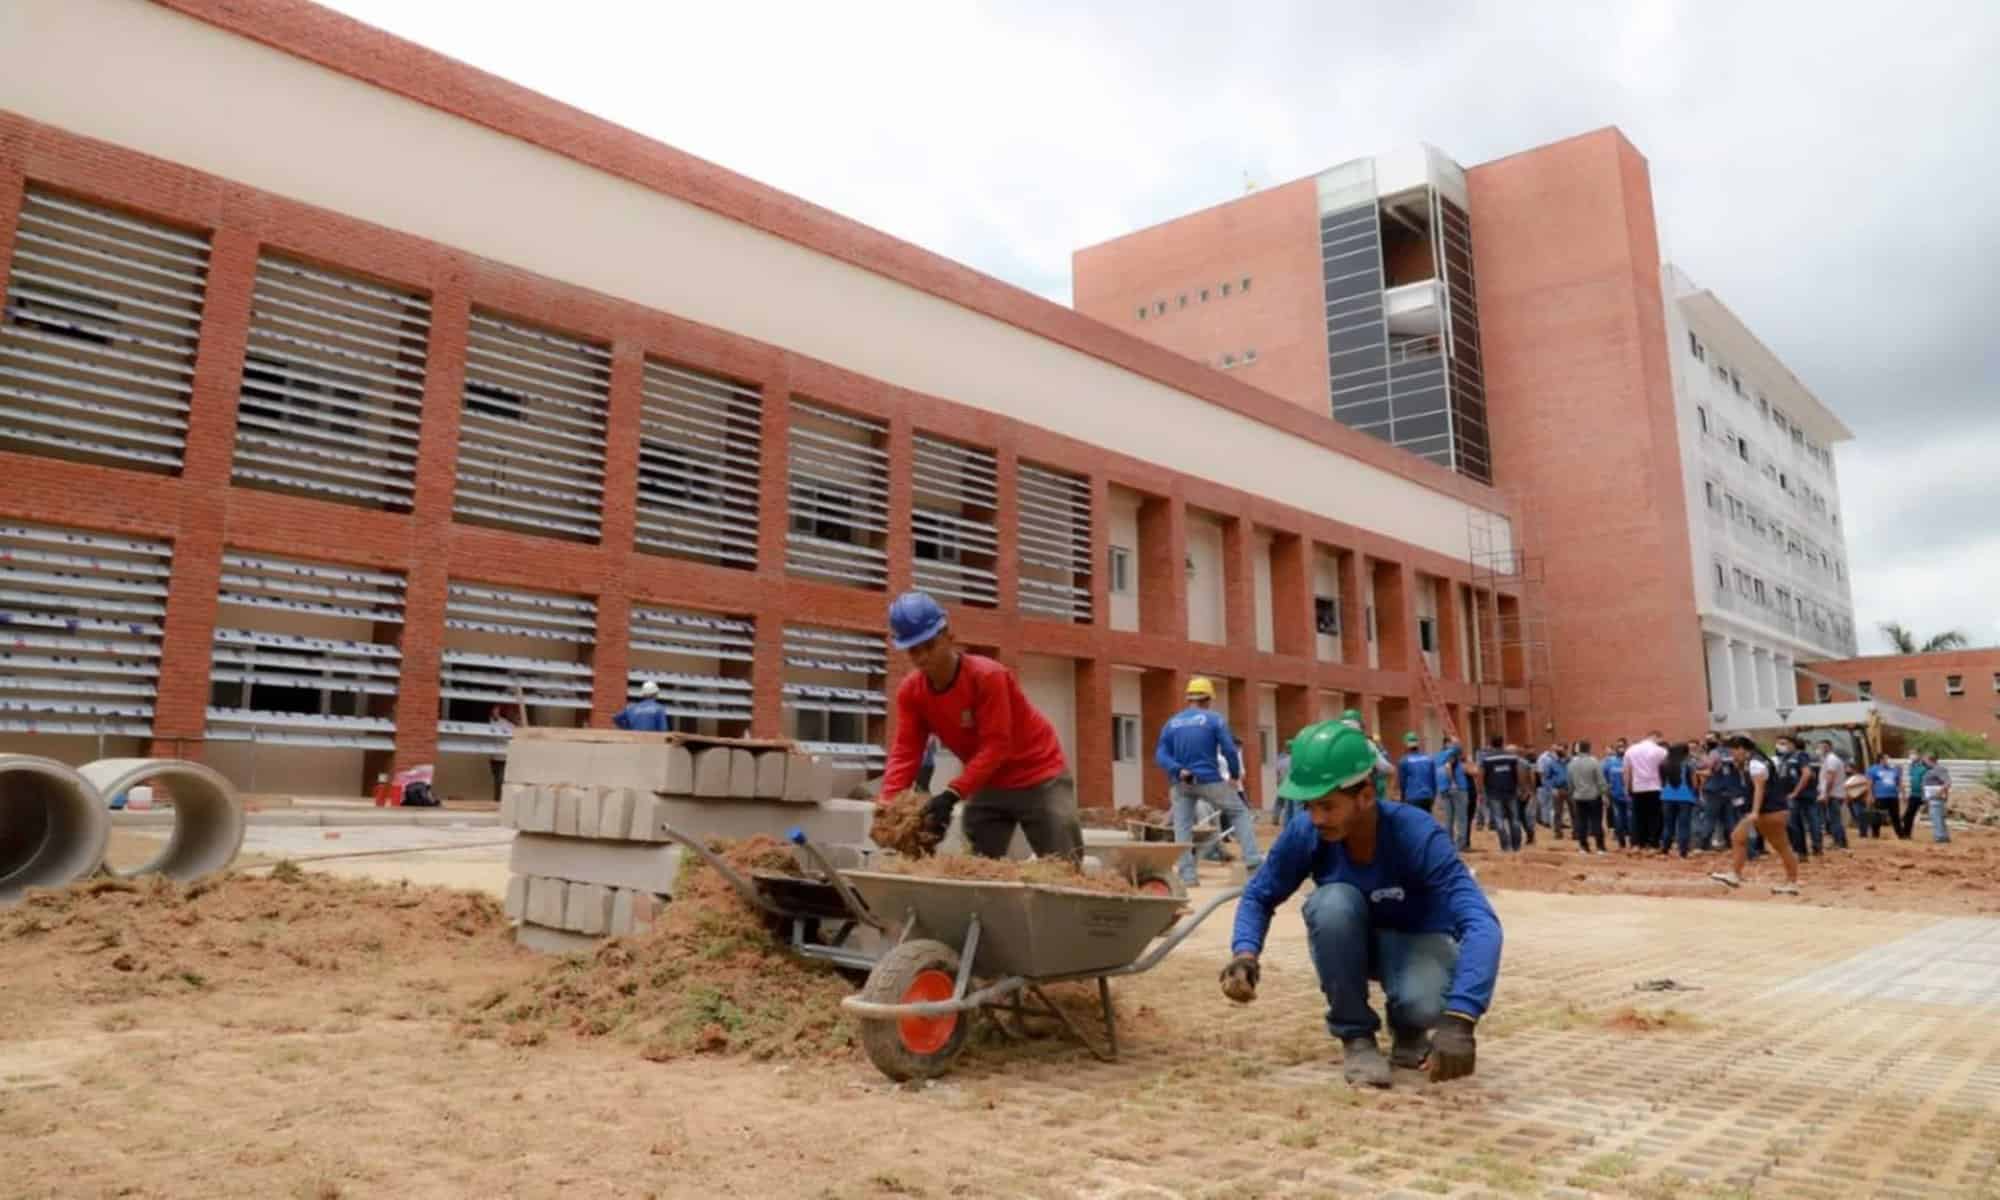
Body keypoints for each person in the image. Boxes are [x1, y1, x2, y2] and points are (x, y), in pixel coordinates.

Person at [1218, 721, 1502, 1089]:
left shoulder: (1416, 834)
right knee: (1331, 902)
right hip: (1351, 943)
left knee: (1429, 1006)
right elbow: (1259, 895)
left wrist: (1462, 1018)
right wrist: (1245, 953)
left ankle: (1408, 1026)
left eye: (1327, 806)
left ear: (1366, 795)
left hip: (1413, 939)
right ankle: (1356, 1037)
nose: (1316, 818)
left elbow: (1481, 922)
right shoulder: (1307, 833)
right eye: (1309, 806)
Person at [878, 591, 1079, 859]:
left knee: (1063, 862)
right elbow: (906, 752)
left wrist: (951, 794)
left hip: (1038, 774)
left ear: (949, 636)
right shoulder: (912, 692)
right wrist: (888, 806)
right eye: (914, 650)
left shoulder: (987, 676)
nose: (923, 657)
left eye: (930, 645)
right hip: (987, 780)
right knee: (976, 866)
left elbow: (997, 745)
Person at [1156, 676, 1260, 884]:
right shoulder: (1214, 719)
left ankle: (1187, 876)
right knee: (1239, 812)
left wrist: (1178, 769)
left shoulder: (1172, 723)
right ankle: (1253, 863)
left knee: (1182, 827)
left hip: (1181, 782)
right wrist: (1234, 775)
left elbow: (1160, 754)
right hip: (1209, 779)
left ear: (1189, 698)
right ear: (1208, 699)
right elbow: (1229, 749)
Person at [1710, 735, 1802, 894]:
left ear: (1741, 748)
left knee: (1781, 847)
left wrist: (1754, 811)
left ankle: (1791, 882)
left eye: (1733, 750)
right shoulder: (1758, 760)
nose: (1732, 754)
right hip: (1772, 809)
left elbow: (1759, 788)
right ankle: (1735, 875)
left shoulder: (1755, 763)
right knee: (1738, 837)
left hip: (1770, 810)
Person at [1475, 738, 1529, 853]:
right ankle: (1516, 846)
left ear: (1491, 745)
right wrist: (1522, 788)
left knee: (1499, 820)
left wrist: (1479, 791)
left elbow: (1480, 775)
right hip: (1511, 792)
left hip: (1494, 793)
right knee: (1514, 819)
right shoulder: (1512, 757)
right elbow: (1520, 772)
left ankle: (1505, 847)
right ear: (1503, 744)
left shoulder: (1486, 758)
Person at [1776, 736, 1824, 857]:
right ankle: (1801, 850)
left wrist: (1795, 792)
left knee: (1807, 822)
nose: (1782, 746)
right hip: (1792, 795)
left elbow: (1806, 774)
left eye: (1784, 743)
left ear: (1792, 744)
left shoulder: (1800, 756)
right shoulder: (1786, 758)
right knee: (1796, 824)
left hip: (1803, 795)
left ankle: (1813, 848)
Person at [1624, 731, 1669, 854]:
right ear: (1656, 737)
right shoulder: (1661, 751)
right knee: (1654, 816)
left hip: (1637, 787)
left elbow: (1627, 771)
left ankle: (1637, 843)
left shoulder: (1631, 750)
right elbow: (1665, 770)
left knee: (1637, 816)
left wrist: (1627, 788)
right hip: (1655, 787)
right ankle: (1653, 843)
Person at [1659, 740, 1700, 858]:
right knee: (1683, 825)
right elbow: (1694, 783)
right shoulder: (1689, 763)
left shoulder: (1664, 763)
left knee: (1668, 824)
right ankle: (1683, 851)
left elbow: (1661, 781)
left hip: (1667, 796)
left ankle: (1665, 849)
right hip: (1685, 797)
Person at [1568, 740, 1607, 854]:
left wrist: (1572, 793)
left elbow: (1570, 782)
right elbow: (1600, 780)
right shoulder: (1594, 762)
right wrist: (1604, 793)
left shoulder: (1571, 764)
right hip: (1594, 796)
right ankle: (1600, 847)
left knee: (1581, 822)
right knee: (1596, 821)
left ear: (1578, 749)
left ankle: (1583, 847)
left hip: (1578, 797)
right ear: (1589, 749)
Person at [1434, 735, 1471, 852]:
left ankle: (1449, 844)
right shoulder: (1451, 752)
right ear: (1447, 744)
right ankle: (1461, 845)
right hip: (1457, 789)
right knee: (1461, 818)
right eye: (1453, 742)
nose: (1456, 744)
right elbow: (1448, 766)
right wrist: (1453, 782)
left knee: (1448, 818)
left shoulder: (1437, 756)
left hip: (1443, 789)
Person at [1816, 740, 1850, 850]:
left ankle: (1838, 842)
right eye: (1819, 747)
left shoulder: (1831, 760)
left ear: (1829, 748)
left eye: (1822, 747)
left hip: (1833, 794)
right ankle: (1842, 842)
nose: (1820, 749)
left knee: (1834, 820)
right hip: (1835, 793)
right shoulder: (1829, 759)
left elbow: (1830, 778)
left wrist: (1825, 793)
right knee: (1835, 819)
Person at [1395, 732, 1437, 815]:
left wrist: (1403, 798)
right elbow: (1433, 780)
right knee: (1426, 822)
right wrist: (1433, 796)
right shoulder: (1428, 759)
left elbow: (1402, 783)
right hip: (1427, 797)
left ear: (1405, 745)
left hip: (1412, 798)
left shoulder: (1404, 761)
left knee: (1414, 824)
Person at [1535, 743, 1569, 838]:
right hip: (1557, 790)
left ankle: (1577, 832)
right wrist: (1551, 788)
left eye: (1563, 749)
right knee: (1557, 812)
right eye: (1559, 750)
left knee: (1574, 812)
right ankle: (1557, 832)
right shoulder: (1551, 763)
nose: (1561, 751)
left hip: (1570, 789)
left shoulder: (1570, 762)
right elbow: (1546, 777)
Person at [487, 701, 520, 800]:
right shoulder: (499, 722)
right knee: (500, 784)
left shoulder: (514, 726)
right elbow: (494, 716)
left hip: (510, 760)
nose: (515, 715)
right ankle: (498, 804)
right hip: (499, 760)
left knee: (508, 786)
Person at [1864, 757, 1901, 840]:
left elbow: (1898, 782)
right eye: (1886, 759)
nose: (1888, 760)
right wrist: (1870, 795)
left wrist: (1901, 792)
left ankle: (1900, 834)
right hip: (1880, 796)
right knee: (1877, 816)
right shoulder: (1873, 770)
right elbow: (1869, 784)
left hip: (1893, 796)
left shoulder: (1893, 770)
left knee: (1895, 816)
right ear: (1881, 760)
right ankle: (1875, 834)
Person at [1603, 738, 1630, 850]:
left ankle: (1630, 843)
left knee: (1628, 818)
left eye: (1622, 746)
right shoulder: (1610, 762)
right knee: (1619, 818)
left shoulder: (1629, 760)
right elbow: (1604, 777)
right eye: (1619, 746)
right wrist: (1606, 792)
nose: (1621, 748)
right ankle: (1622, 843)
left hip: (1628, 795)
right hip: (1617, 795)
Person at [1922, 755, 1952, 844]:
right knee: (1939, 818)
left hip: (1936, 798)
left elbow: (1948, 782)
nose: (1923, 763)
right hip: (1933, 798)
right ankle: (1944, 836)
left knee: (1936, 818)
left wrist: (1940, 792)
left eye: (1925, 761)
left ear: (1931, 761)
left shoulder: (1938, 769)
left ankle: (1940, 837)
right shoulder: (1930, 770)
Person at [1898, 754, 1929, 840]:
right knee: (1909, 815)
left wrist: (1925, 796)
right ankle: (1906, 833)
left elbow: (1925, 782)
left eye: (1914, 759)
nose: (1912, 761)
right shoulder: (1913, 768)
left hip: (1920, 795)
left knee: (1909, 814)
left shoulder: (1924, 769)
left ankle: (1906, 833)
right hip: (1914, 794)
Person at [1272, 744, 1295, 828]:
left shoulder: (1281, 761)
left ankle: (1275, 819)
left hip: (1282, 785)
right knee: (1291, 807)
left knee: (1279, 803)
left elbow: (1277, 774)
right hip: (1292, 786)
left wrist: (1278, 784)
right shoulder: (1295, 760)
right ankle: (1292, 824)